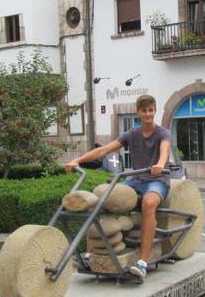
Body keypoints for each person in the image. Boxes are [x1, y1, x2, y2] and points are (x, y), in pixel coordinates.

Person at [64, 94, 170, 283]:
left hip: (157, 179)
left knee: (148, 203)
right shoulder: (132, 134)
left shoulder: (162, 133)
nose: (148, 114)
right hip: (136, 179)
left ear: (155, 110)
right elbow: (103, 150)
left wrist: (160, 164)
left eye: (151, 110)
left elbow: (164, 151)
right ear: (138, 112)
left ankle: (142, 263)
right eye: (144, 110)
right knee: (103, 196)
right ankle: (90, 254)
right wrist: (77, 160)